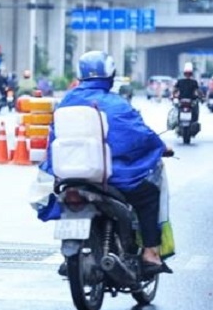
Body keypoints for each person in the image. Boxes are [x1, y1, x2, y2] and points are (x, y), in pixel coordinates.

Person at [40, 50, 174, 276]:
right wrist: (160, 146)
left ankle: (70, 256)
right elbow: (139, 134)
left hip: (70, 175)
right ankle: (151, 252)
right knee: (149, 196)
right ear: (110, 75)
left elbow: (53, 137)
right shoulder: (118, 104)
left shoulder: (67, 101)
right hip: (115, 177)